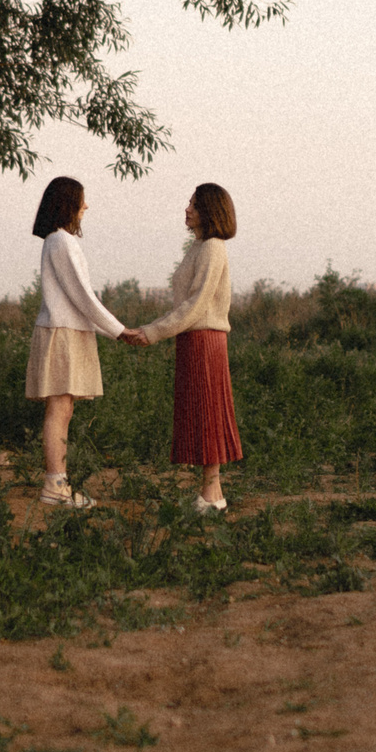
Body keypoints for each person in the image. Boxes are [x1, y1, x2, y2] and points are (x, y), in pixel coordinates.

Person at [122, 183, 242, 514]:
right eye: (188, 203)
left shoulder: (212, 248)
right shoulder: (199, 247)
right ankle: (212, 494)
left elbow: (196, 305)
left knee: (208, 414)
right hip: (193, 339)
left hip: (205, 339)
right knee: (201, 414)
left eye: (194, 205)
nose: (187, 209)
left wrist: (151, 332)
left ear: (210, 212)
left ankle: (210, 495)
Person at [28, 175, 130, 509]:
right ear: (68, 203)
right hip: (62, 332)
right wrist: (119, 330)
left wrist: (112, 330)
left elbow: (81, 299)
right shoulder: (61, 241)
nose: (86, 206)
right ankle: (55, 485)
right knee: (59, 407)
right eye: (82, 199)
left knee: (64, 407)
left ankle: (58, 482)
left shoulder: (60, 241)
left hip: (69, 331)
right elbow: (83, 296)